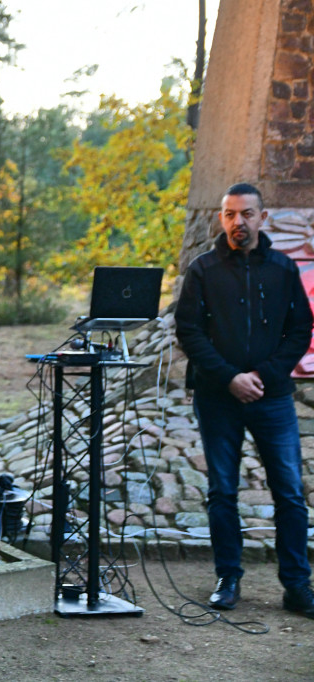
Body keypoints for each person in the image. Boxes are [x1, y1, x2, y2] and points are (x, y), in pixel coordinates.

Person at [175, 182, 314, 616]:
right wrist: (231, 377)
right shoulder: (202, 270)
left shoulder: (283, 269)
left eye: (247, 214)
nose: (239, 222)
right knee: (222, 491)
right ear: (222, 218)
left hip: (272, 398)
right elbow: (189, 332)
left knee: (290, 493)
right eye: (231, 214)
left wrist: (263, 376)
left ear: (262, 218)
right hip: (218, 398)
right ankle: (227, 578)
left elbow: (300, 331)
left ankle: (296, 586)